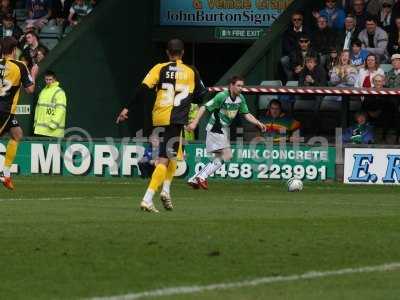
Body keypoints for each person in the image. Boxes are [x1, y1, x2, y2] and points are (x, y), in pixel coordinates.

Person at [116, 38, 207, 213]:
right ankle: (147, 199)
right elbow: (200, 96)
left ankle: (165, 191)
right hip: (176, 119)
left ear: (167, 52)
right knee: (164, 159)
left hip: (159, 118)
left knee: (173, 155)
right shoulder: (191, 71)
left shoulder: (159, 68)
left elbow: (143, 89)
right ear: (183, 53)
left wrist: (127, 108)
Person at [186, 76, 266, 190]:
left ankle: (195, 178)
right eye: (238, 85)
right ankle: (202, 177)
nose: (240, 88)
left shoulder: (240, 98)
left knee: (220, 157)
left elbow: (246, 114)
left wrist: (258, 123)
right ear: (231, 86)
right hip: (215, 127)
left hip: (223, 129)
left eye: (242, 86)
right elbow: (204, 107)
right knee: (226, 155)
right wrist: (194, 123)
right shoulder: (222, 96)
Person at [0, 37, 37, 190]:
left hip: (6, 111)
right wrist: (33, 73)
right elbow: (30, 89)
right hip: (4, 109)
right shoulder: (20, 65)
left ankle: (5, 173)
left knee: (17, 134)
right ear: (14, 50)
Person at [34, 71, 67, 138]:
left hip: (53, 131)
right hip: (40, 130)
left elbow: (61, 110)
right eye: (46, 79)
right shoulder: (43, 91)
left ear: (54, 79)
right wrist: (35, 123)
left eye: (50, 79)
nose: (48, 81)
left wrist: (53, 124)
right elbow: (38, 108)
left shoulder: (59, 92)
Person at [281, 11, 311, 80]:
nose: (297, 21)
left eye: (299, 19)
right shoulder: (287, 32)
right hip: (292, 55)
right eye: (295, 20)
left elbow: (310, 45)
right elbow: (286, 47)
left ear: (302, 21)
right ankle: (290, 79)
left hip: (305, 54)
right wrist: (296, 55)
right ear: (292, 21)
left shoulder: (308, 31)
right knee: (284, 60)